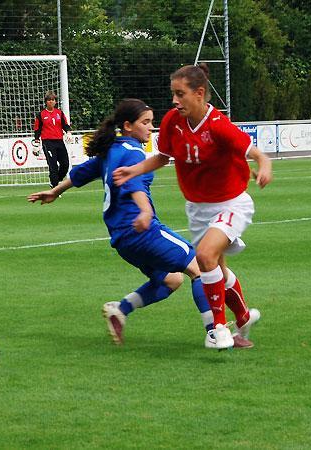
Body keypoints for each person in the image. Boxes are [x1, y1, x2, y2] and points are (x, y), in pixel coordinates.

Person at [27, 98, 250, 350]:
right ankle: (214, 332)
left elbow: (81, 173)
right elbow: (134, 184)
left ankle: (120, 309)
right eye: (145, 122)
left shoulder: (111, 150)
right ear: (128, 126)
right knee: (200, 267)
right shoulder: (133, 152)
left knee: (171, 280)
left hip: (122, 240)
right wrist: (144, 211)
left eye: (152, 122)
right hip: (143, 232)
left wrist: (55, 191)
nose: (151, 128)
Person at [113, 64, 273, 349]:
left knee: (205, 256)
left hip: (232, 203)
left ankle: (218, 330)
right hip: (198, 209)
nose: (174, 100)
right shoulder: (173, 121)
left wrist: (264, 166)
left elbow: (257, 154)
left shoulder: (218, 125)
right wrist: (133, 170)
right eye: (173, 94)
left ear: (199, 93)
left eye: (180, 94)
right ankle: (244, 317)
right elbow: (163, 157)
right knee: (217, 269)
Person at [33, 90, 73, 188]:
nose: (51, 101)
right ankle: (55, 187)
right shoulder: (41, 114)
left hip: (59, 141)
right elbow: (37, 129)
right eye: (49, 100)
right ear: (46, 102)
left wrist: (68, 132)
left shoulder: (59, 113)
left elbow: (65, 125)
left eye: (53, 100)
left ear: (55, 101)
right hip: (48, 142)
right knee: (53, 165)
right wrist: (37, 142)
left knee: (65, 164)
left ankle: (55, 180)